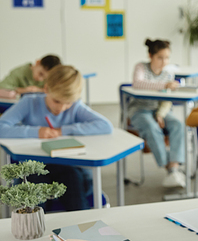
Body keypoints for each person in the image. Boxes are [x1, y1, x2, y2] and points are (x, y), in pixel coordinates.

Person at [0, 65, 113, 211]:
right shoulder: (29, 102)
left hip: (69, 167)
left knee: (76, 194)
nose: (61, 108)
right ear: (46, 89)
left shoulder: (75, 106)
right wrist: (36, 132)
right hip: (35, 168)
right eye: (57, 101)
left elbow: (105, 125)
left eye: (68, 103)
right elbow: (2, 127)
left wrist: (63, 130)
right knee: (34, 202)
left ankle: (79, 230)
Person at [128, 39, 186, 188]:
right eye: (160, 57)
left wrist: (160, 114)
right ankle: (169, 168)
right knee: (151, 127)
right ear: (150, 56)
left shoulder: (167, 73)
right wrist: (165, 85)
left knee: (178, 124)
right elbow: (138, 84)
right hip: (140, 110)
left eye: (167, 58)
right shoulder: (140, 67)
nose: (164, 61)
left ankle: (174, 167)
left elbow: (167, 101)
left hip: (159, 109)